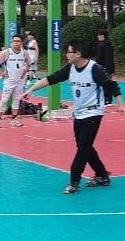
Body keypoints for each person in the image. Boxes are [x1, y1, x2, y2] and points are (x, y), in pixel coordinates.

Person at [24, 40, 116, 194]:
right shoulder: (70, 68)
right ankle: (102, 174)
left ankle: (74, 181)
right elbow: (51, 79)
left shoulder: (94, 68)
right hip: (79, 113)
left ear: (77, 54)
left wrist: (120, 103)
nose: (66, 54)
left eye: (69, 51)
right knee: (84, 146)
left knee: (83, 149)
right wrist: (31, 89)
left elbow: (111, 84)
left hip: (94, 113)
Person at [0, 34, 32, 129]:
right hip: (9, 80)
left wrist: (24, 71)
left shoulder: (24, 53)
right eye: (14, 41)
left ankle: (14, 119)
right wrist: (1, 72)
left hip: (19, 81)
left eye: (18, 41)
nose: (16, 43)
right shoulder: (7, 52)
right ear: (12, 42)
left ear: (21, 43)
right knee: (4, 100)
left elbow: (29, 63)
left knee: (17, 100)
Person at [93, 29, 125, 116]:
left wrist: (96, 66)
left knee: (102, 84)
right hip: (109, 67)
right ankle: (109, 99)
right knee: (109, 83)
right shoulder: (110, 45)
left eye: (99, 35)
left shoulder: (101, 46)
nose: (98, 37)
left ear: (102, 36)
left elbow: (99, 58)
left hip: (102, 67)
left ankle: (104, 99)